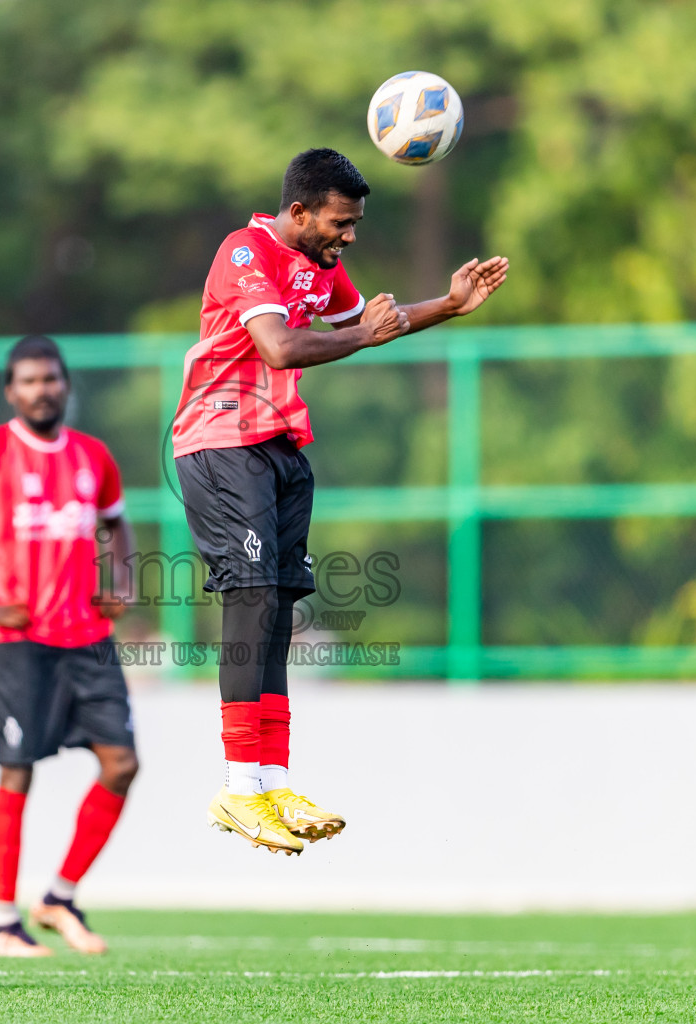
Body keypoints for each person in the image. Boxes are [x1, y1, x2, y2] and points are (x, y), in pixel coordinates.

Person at [172, 148, 508, 855]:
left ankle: (270, 781)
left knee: (279, 613)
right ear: (299, 212)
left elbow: (374, 319)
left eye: (354, 224)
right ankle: (239, 789)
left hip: (280, 445)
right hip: (221, 440)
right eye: (340, 223)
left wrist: (449, 304)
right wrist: (361, 335)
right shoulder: (246, 251)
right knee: (252, 600)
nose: (348, 236)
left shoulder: (317, 267)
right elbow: (281, 348)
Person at [0, 335, 138, 958]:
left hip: (87, 639)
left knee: (122, 763)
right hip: (18, 641)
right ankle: (5, 922)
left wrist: (125, 581)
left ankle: (59, 898)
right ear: (10, 392)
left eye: (51, 379)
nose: (42, 390)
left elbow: (116, 521)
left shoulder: (93, 455)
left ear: (65, 385)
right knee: (18, 772)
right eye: (29, 381)